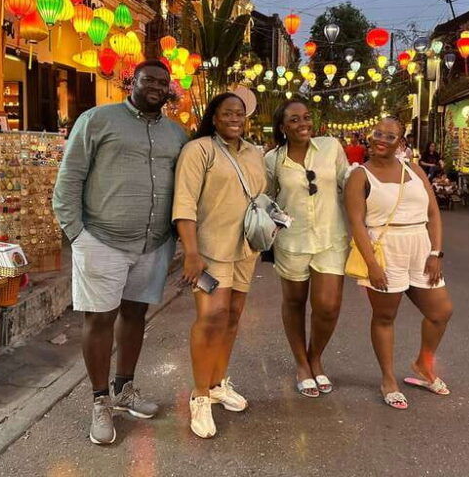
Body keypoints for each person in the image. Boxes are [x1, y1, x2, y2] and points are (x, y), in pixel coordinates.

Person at [52, 60, 188, 445]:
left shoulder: (176, 135)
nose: (157, 88)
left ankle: (124, 389)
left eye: (163, 83)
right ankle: (100, 401)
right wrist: (77, 235)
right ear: (133, 81)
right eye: (149, 80)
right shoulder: (97, 120)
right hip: (101, 239)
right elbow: (69, 179)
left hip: (154, 243)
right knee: (99, 320)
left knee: (135, 315)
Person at [172, 93, 267, 439]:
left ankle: (216, 383)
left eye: (239, 113)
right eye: (226, 113)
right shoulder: (198, 151)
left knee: (232, 316)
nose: (234, 118)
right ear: (214, 117)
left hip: (245, 249)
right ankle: (198, 395)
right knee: (211, 317)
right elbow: (184, 202)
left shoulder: (254, 152)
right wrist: (191, 252)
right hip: (210, 250)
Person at [344, 118, 453, 410]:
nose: (381, 139)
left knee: (441, 311)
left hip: (419, 246)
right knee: (384, 317)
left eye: (390, 136)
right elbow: (356, 223)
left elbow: (433, 211)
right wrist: (371, 264)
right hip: (385, 249)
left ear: (400, 143)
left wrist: (436, 252)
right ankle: (388, 378)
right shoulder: (360, 176)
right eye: (377, 133)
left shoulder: (413, 169)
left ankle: (422, 364)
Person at [265, 99, 349, 398]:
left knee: (328, 306)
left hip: (331, 237)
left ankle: (315, 356)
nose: (303, 124)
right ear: (283, 127)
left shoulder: (330, 147)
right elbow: (266, 198)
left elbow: (347, 181)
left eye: (306, 118)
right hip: (293, 241)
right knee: (295, 303)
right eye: (294, 120)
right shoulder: (273, 159)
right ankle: (302, 364)